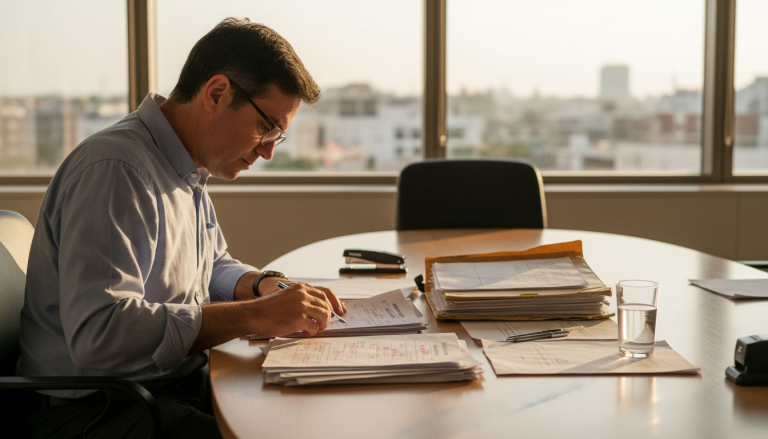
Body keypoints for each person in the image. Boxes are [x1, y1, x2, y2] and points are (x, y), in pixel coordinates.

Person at [16, 18, 343, 438]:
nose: (267, 152)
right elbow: (101, 333)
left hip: (161, 389)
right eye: (267, 128)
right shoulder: (117, 170)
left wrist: (265, 286)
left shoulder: (183, 169)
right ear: (217, 93)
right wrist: (255, 316)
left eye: (277, 137)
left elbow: (210, 266)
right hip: (99, 410)